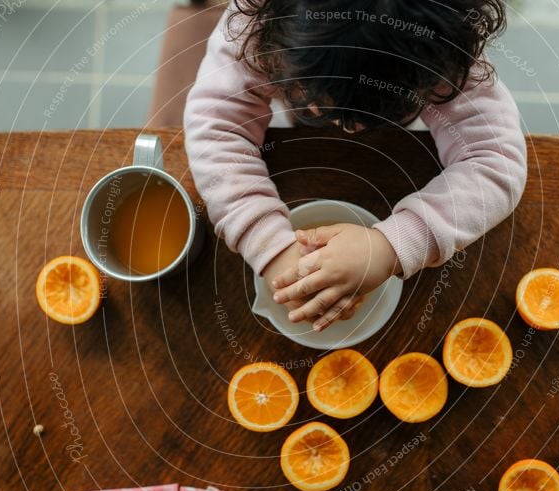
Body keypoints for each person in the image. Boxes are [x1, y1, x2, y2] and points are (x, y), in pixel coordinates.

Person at [151, 0, 527, 331]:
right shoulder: (253, 28)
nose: (351, 129)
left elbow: (496, 161)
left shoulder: (443, 48)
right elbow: (216, 125)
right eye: (325, 106)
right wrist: (270, 245)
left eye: (370, 117)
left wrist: (390, 246)